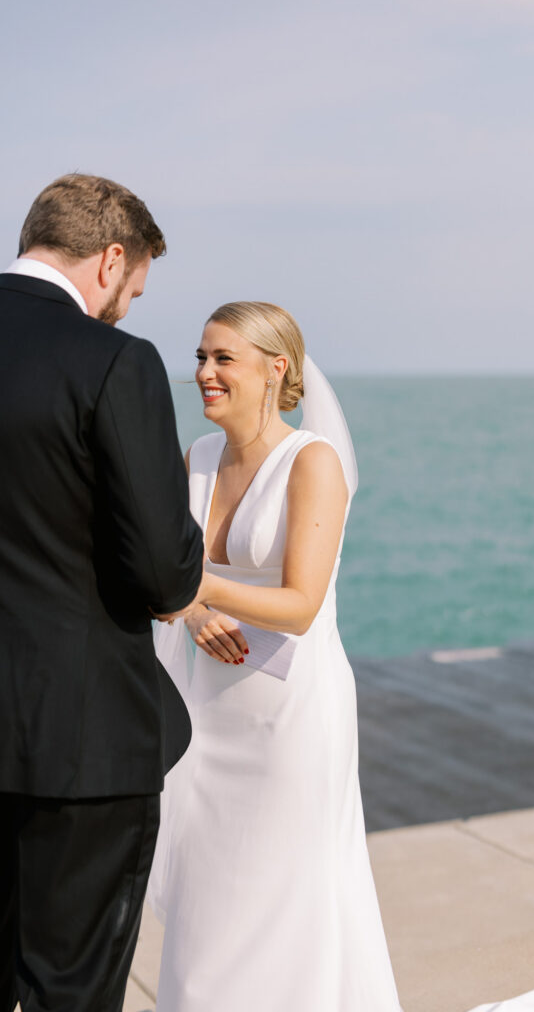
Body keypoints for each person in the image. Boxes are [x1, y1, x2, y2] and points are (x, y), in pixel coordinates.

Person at [147, 302, 402, 1011]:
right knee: (209, 899)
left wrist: (193, 583)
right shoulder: (196, 457)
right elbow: (161, 578)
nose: (204, 373)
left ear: (275, 367)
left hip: (291, 722)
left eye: (223, 358)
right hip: (208, 716)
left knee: (288, 895)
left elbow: (301, 602)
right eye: (200, 357)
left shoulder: (310, 461)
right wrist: (192, 608)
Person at [0, 173, 205, 1012]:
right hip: (80, 744)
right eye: (132, 290)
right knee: (69, 991)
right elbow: (164, 573)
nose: (125, 308)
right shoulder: (114, 361)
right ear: (110, 259)